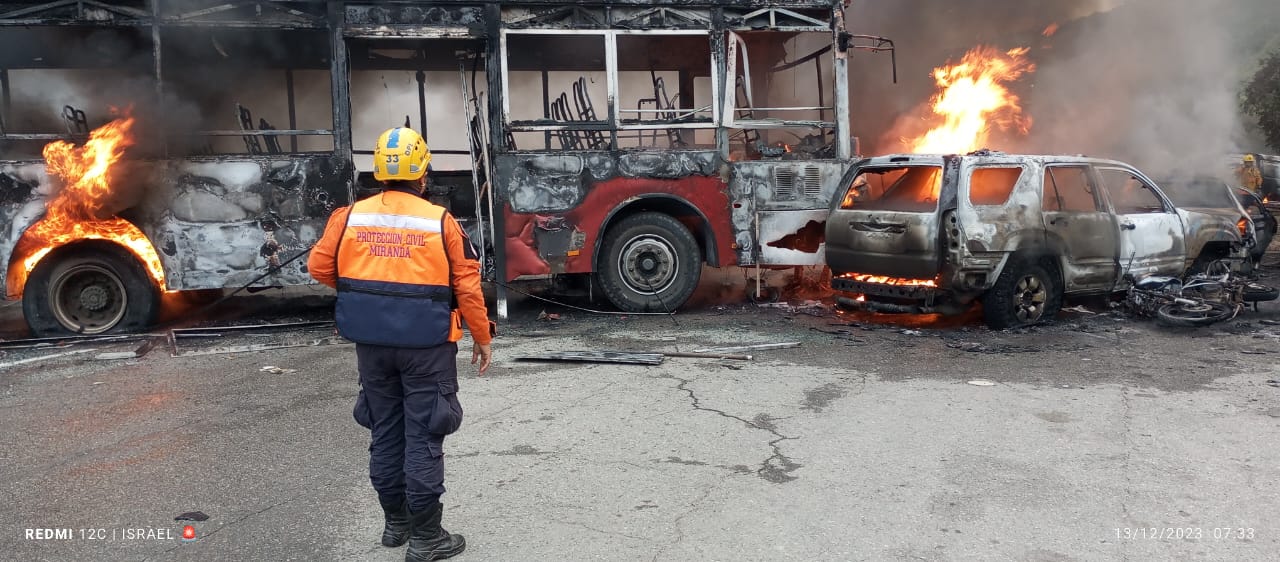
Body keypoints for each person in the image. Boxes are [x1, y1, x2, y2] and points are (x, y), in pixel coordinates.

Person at [308, 126, 494, 561]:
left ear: (378, 172)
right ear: (422, 174)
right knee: (425, 435)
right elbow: (467, 286)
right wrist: (482, 338)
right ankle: (427, 539)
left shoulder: (349, 216)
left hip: (371, 345)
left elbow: (319, 267)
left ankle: (397, 524)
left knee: (386, 433)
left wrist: (361, 291)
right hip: (427, 347)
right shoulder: (440, 222)